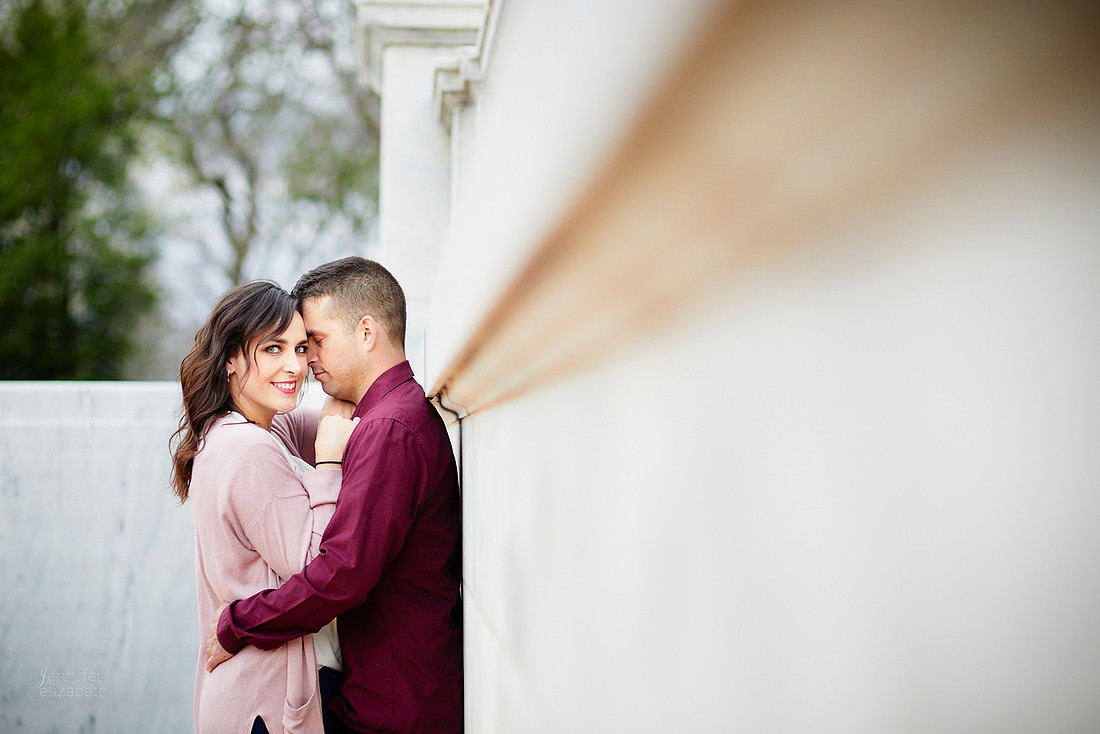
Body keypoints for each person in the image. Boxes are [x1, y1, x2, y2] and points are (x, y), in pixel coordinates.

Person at [205, 257, 464, 733]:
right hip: (383, 696)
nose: (308, 361)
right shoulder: (384, 416)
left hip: (396, 708)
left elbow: (340, 574)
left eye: (315, 342)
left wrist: (239, 624)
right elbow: (275, 423)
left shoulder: (389, 429)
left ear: (366, 333)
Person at [171, 280, 360, 733]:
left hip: (246, 691)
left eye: (301, 348)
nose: (294, 365)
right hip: (264, 703)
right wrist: (330, 465)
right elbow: (317, 566)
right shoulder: (248, 448)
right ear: (232, 358)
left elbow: (349, 410)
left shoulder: (243, 427)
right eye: (273, 349)